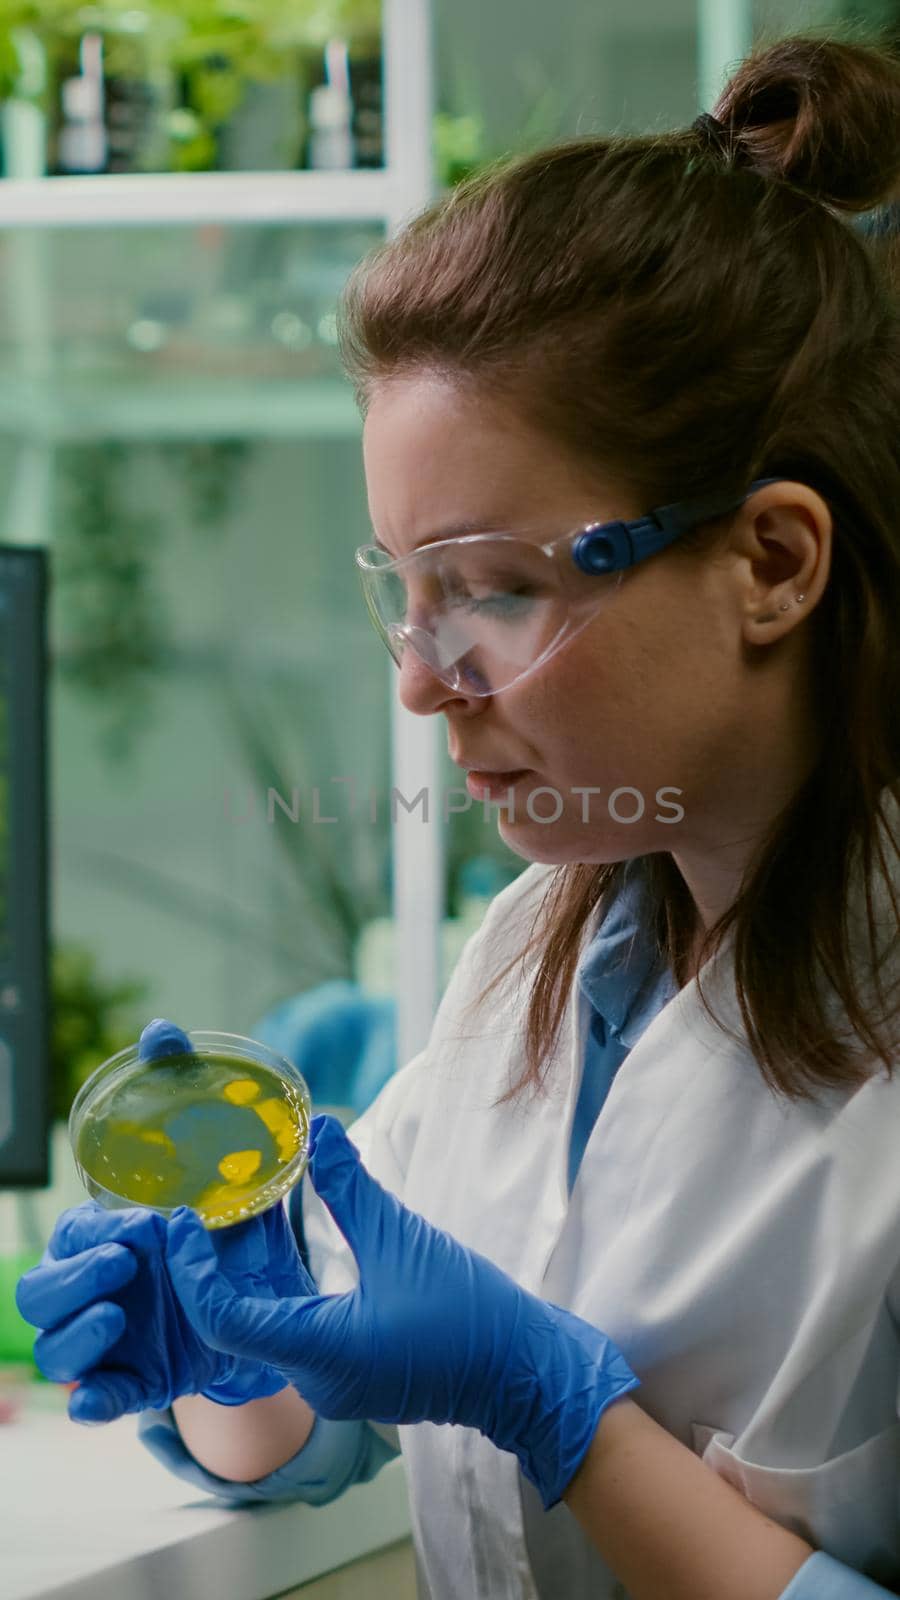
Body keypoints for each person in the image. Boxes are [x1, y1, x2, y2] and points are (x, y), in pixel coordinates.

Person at [16, 29, 900, 1600]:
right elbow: (346, 1418)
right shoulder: (539, 958)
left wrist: (557, 1408)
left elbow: (493, 1384)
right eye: (404, 594)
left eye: (494, 588)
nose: (424, 686)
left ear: (772, 561)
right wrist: (232, 1347)